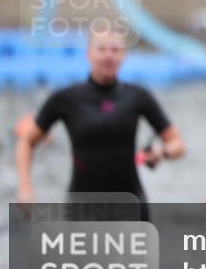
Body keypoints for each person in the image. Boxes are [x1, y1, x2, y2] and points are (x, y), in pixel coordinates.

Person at [15, 29, 185, 222]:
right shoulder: (65, 99)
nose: (108, 55)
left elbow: (177, 144)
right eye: (102, 49)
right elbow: (26, 141)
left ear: (123, 56)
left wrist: (162, 153)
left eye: (115, 50)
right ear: (89, 53)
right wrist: (25, 186)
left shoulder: (138, 96)